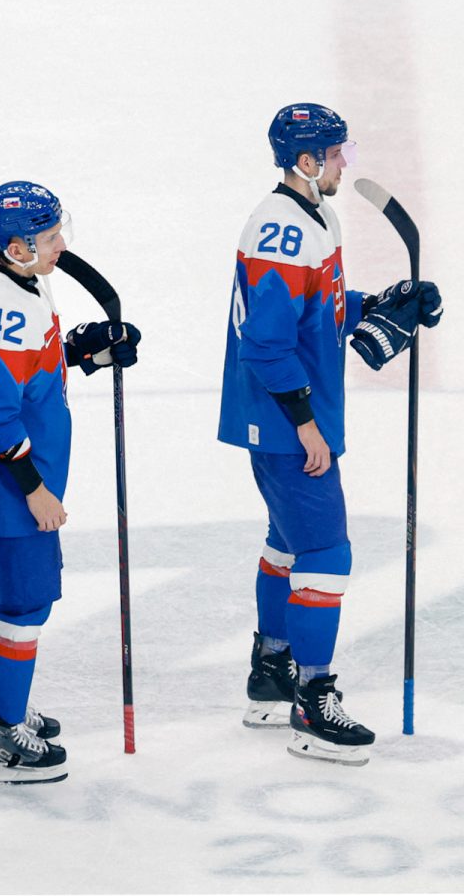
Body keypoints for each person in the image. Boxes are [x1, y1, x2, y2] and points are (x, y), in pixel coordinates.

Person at [219, 104, 442, 764]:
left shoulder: (315, 218)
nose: (346, 162)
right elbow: (265, 342)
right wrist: (306, 422)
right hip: (287, 425)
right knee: (328, 553)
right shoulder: (283, 231)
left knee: (287, 545)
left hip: (281, 420)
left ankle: (271, 671)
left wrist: (376, 305)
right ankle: (313, 701)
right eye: (337, 153)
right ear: (307, 163)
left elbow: (319, 306)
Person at [0, 182, 140, 785]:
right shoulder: (11, 306)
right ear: (17, 247)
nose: (60, 246)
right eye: (48, 238)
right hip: (5, 483)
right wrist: (35, 488)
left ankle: (1, 706)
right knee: (27, 600)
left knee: (25, 597)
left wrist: (84, 354)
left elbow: (20, 374)